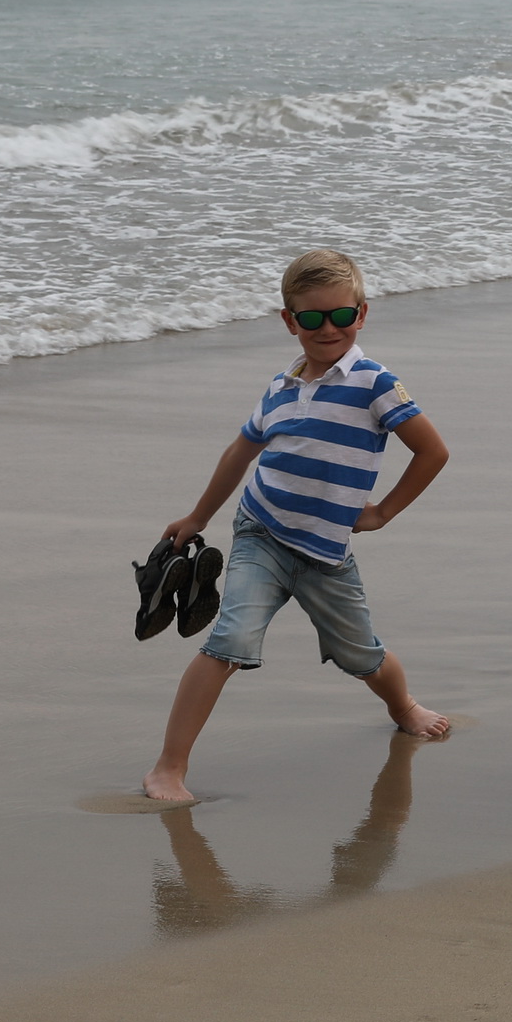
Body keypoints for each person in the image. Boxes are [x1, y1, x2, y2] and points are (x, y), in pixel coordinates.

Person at [143, 249, 453, 804]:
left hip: (327, 553)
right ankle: (168, 767)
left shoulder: (375, 383)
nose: (327, 328)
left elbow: (432, 452)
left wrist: (382, 512)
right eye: (311, 318)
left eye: (341, 315)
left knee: (361, 654)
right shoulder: (281, 387)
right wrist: (198, 517)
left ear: (362, 313)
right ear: (290, 321)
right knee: (227, 641)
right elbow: (241, 450)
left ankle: (403, 707)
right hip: (260, 532)